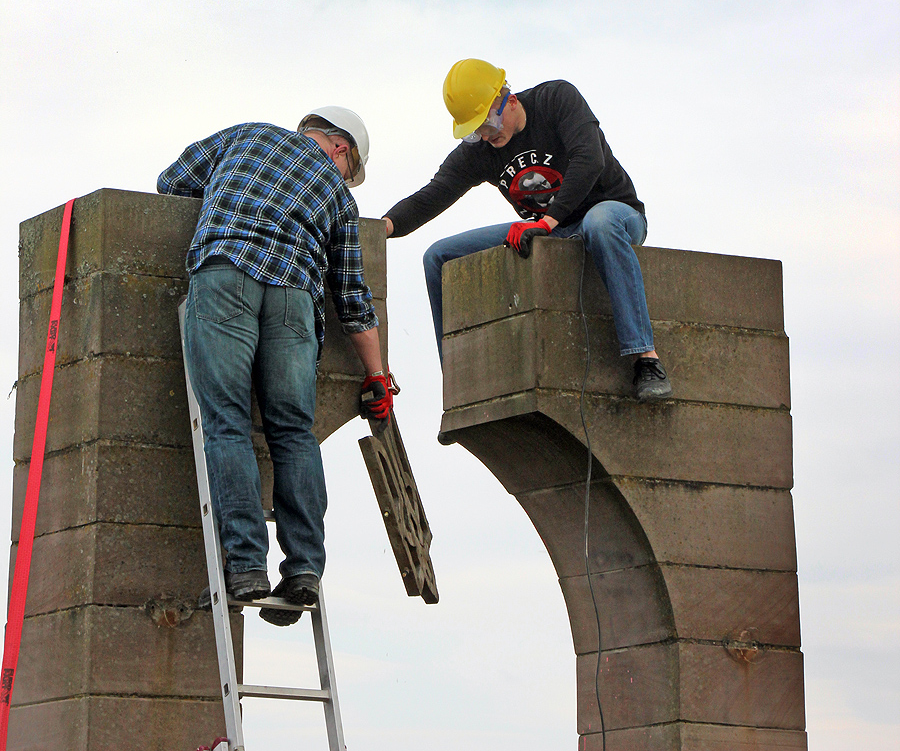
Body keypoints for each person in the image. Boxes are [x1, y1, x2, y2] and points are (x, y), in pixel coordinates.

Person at [158, 107, 396, 626]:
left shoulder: (248, 134)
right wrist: (377, 375)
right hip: (293, 300)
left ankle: (245, 568)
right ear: (340, 148)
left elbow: (171, 182)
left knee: (226, 424)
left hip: (225, 278)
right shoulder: (339, 196)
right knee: (293, 433)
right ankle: (305, 569)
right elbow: (354, 300)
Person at [383, 59, 673, 402]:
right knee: (439, 257)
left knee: (599, 222)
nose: (488, 135)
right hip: (549, 231)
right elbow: (432, 195)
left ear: (509, 98)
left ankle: (646, 360)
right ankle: (459, 382)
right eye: (477, 129)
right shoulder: (482, 150)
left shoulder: (556, 100)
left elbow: (589, 159)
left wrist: (547, 222)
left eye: (489, 122)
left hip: (615, 217)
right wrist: (382, 228)